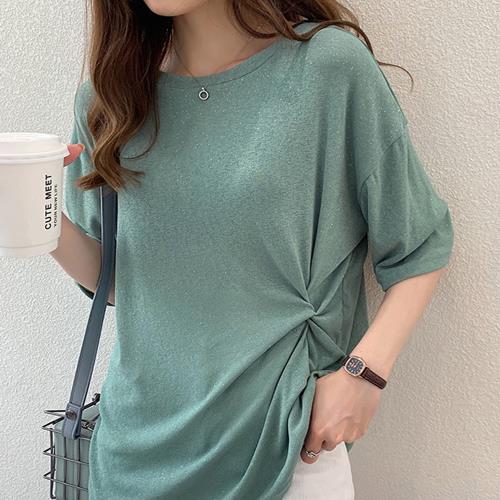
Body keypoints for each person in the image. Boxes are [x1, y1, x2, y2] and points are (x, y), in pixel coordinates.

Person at [51, 1, 455, 499]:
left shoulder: (327, 68)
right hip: (134, 459)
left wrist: (364, 376)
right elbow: (118, 284)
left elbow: (421, 244)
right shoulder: (109, 99)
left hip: (282, 449)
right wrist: (36, 220)